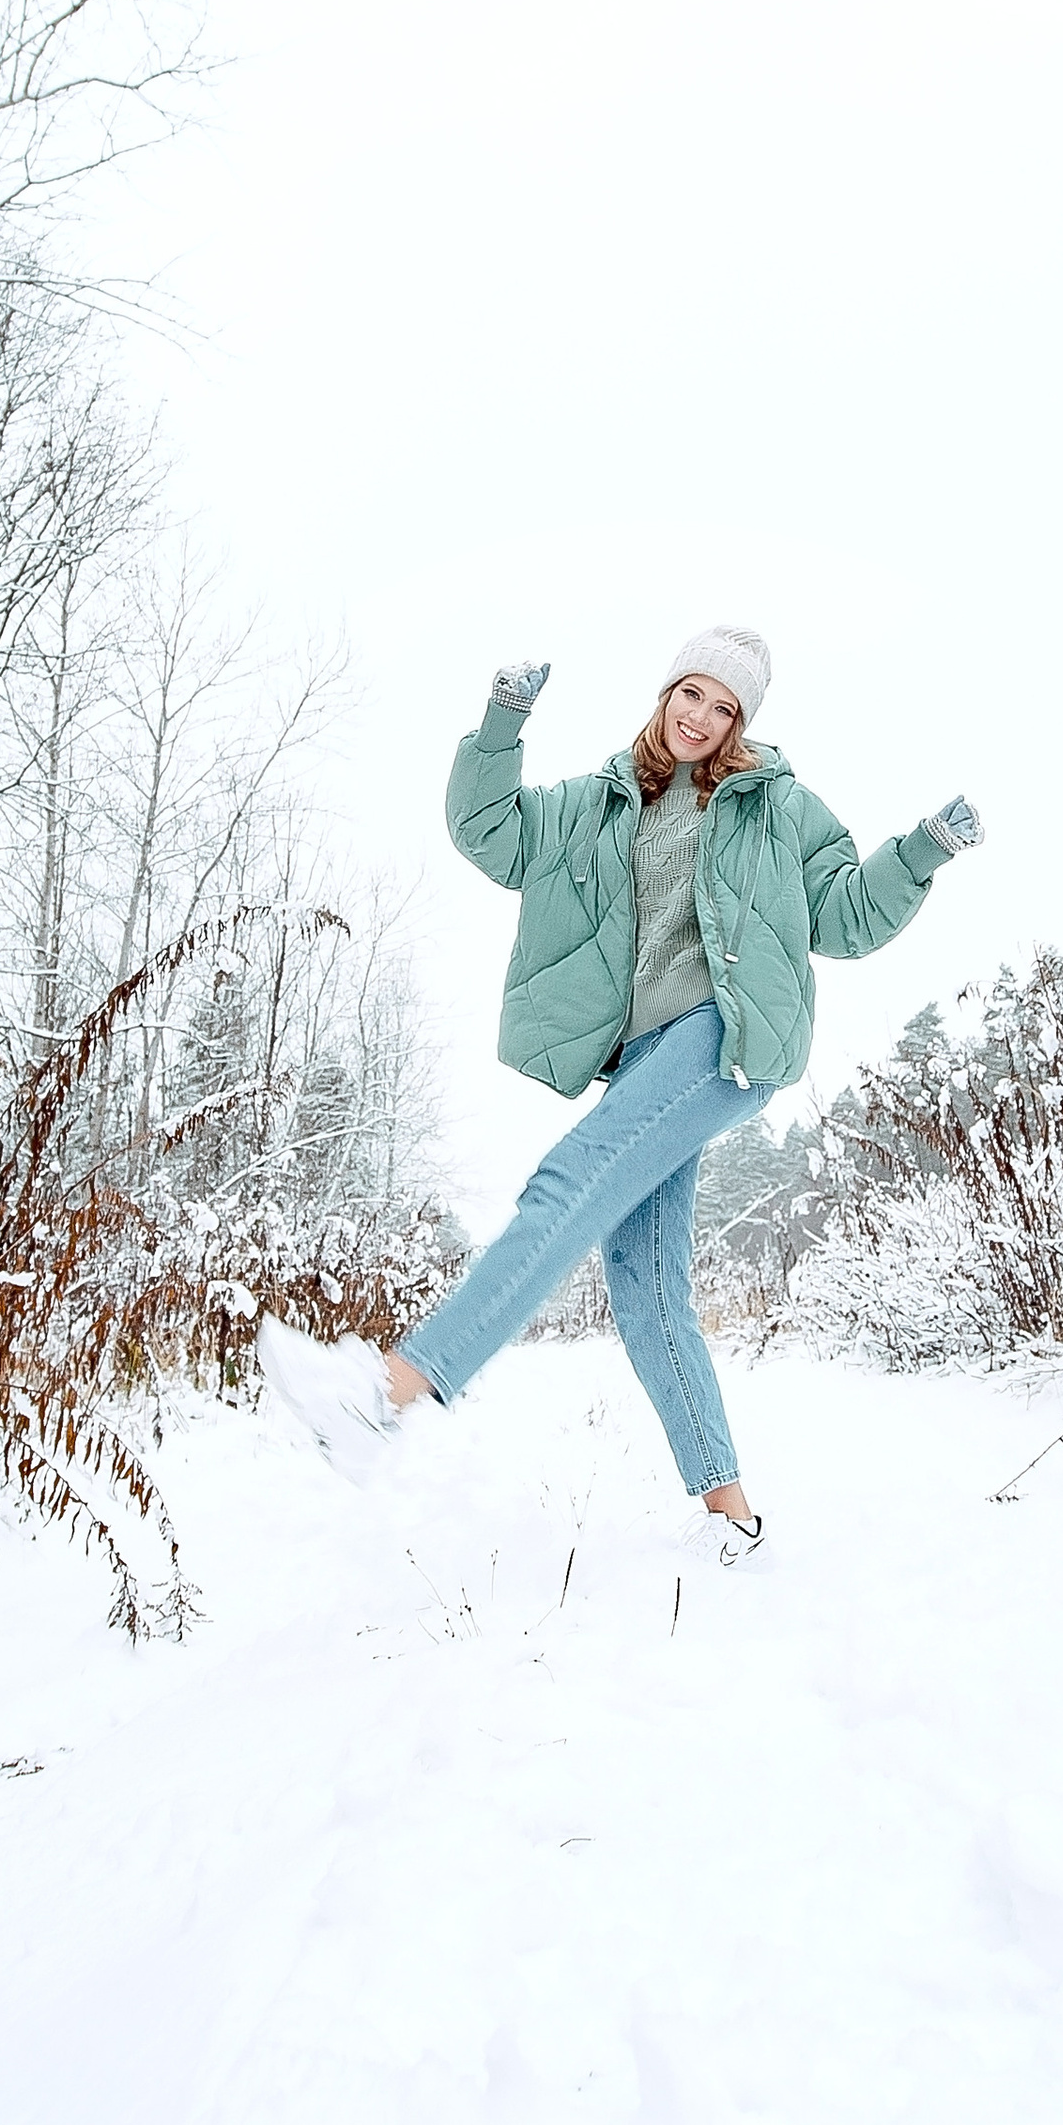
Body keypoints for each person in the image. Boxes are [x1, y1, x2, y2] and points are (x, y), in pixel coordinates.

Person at [260, 627, 981, 1554]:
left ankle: (393, 1390)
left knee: (569, 1182)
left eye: (727, 709)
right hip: (646, 1057)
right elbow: (493, 831)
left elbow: (843, 915)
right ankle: (734, 1517)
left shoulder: (779, 808)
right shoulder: (598, 803)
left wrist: (921, 849)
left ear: (742, 724)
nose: (704, 718)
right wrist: (502, 718)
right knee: (642, 1278)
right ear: (667, 689)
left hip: (728, 1035)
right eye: (695, 693)